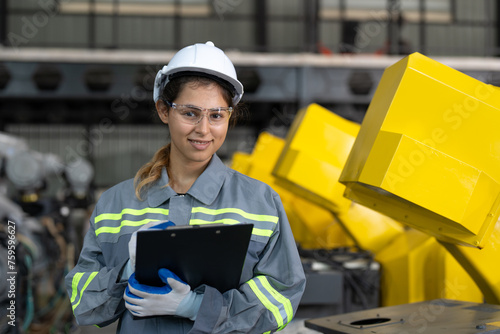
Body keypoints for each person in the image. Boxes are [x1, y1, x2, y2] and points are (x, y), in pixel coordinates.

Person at [65, 41, 306, 333]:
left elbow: (280, 299)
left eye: (216, 115)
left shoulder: (261, 203)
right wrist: (127, 272)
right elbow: (83, 300)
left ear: (229, 115)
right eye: (190, 113)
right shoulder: (115, 204)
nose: (203, 129)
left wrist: (197, 307)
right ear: (164, 111)